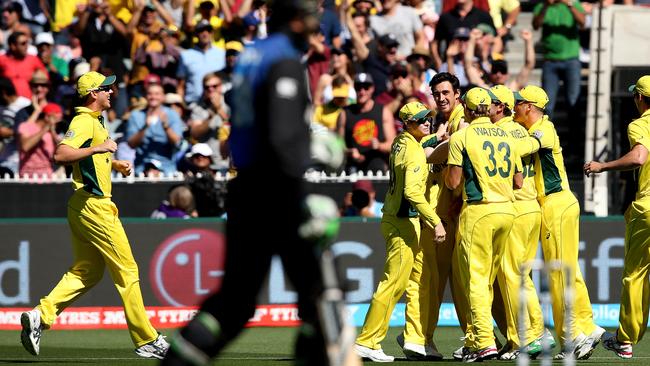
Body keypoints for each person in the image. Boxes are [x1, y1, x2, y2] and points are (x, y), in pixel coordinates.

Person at [161, 0, 338, 363]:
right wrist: (311, 157)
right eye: (311, 22)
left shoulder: (251, 54)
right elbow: (281, 133)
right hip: (277, 189)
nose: (317, 32)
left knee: (235, 303)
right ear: (295, 21)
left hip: (246, 188)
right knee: (320, 300)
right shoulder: (284, 60)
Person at [19, 71, 169, 359]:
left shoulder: (95, 121)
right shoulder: (84, 120)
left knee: (86, 271)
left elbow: (89, 160)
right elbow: (61, 155)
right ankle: (146, 339)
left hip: (82, 205)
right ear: (93, 94)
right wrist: (100, 148)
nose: (112, 92)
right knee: (128, 272)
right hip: (95, 207)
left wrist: (114, 163)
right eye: (106, 89)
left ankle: (41, 315)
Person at [513, 85, 604, 360]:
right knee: (569, 270)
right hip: (557, 204)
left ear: (529, 106)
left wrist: (492, 141)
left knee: (559, 273)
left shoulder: (544, 129)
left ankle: (573, 336)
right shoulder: (538, 126)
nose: (514, 107)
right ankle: (588, 327)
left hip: (557, 204)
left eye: (518, 104)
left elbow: (523, 147)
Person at [354, 101, 445, 362]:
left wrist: (434, 139)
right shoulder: (413, 153)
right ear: (407, 124)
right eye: (420, 120)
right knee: (392, 284)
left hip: (398, 220)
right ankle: (368, 341)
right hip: (404, 222)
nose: (427, 122)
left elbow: (416, 149)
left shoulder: (400, 142)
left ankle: (413, 340)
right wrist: (435, 221)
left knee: (411, 281)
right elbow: (413, 192)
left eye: (428, 117)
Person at [446, 86, 522, 362]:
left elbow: (454, 182)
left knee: (475, 280)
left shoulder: (462, 136)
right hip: (508, 211)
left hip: (479, 211)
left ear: (465, 108)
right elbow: (518, 181)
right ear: (488, 107)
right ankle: (479, 339)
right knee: (488, 279)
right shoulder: (506, 133)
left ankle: (483, 341)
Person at [584, 75, 650, 360]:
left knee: (636, 276)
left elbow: (638, 158)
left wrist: (603, 166)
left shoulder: (640, 123)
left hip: (648, 208)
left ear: (639, 98)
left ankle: (625, 340)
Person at [488, 85, 550, 359]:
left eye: (489, 103)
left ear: (500, 106)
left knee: (513, 276)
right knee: (520, 275)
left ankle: (529, 337)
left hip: (516, 208)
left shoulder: (500, 133)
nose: (483, 109)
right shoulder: (522, 130)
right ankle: (531, 335)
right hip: (531, 207)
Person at [532, 0, 586, 120]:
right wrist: (545, 6)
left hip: (571, 60)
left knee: (573, 102)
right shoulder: (542, 6)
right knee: (547, 105)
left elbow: (583, 22)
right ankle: (547, 134)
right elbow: (535, 25)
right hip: (550, 61)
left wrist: (569, 4)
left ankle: (574, 137)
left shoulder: (573, 4)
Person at [17, 102, 62, 177]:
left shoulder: (52, 133)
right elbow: (25, 147)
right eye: (56, 119)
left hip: (47, 175)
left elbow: (60, 153)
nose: (57, 123)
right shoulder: (26, 126)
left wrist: (53, 132)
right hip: (28, 175)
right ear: (47, 117)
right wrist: (46, 127)